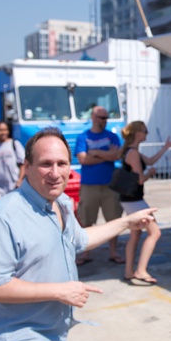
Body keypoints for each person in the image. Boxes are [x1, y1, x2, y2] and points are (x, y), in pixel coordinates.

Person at [0, 127, 154, 341]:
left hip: (51, 336)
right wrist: (60, 291)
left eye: (62, 163)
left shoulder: (61, 203)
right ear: (27, 167)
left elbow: (80, 239)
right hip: (21, 339)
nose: (55, 173)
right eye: (46, 164)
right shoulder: (3, 217)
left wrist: (127, 222)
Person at [118, 121, 171, 286]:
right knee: (155, 232)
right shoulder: (133, 153)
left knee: (135, 234)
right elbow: (140, 179)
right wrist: (150, 174)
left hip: (129, 199)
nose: (147, 133)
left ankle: (129, 271)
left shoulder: (130, 150)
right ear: (138, 133)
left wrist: (165, 147)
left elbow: (150, 161)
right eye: (145, 131)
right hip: (135, 200)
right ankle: (141, 270)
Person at [74, 106, 123, 265]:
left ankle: (113, 252)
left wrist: (95, 152)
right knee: (86, 219)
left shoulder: (112, 136)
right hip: (89, 185)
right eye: (102, 118)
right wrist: (107, 155)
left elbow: (117, 155)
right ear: (93, 118)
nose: (105, 121)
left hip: (110, 185)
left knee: (113, 219)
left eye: (106, 118)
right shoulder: (83, 137)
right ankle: (85, 253)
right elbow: (83, 159)